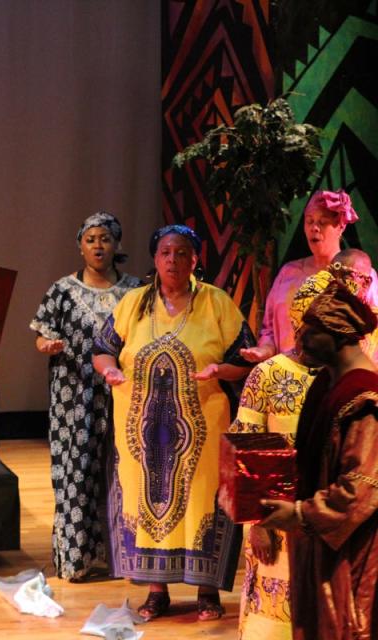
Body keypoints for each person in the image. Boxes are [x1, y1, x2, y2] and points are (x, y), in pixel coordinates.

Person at [93, 224, 255, 622]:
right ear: (155, 258)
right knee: (147, 504)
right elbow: (102, 348)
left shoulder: (216, 303)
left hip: (201, 429)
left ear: (195, 259)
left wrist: (222, 368)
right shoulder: (133, 303)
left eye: (182, 253)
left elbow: (243, 357)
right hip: (141, 433)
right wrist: (110, 371)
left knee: (202, 504)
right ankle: (156, 592)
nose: (173, 260)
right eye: (165, 252)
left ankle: (207, 592)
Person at [261, 280, 378, 640]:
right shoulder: (327, 383)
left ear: (339, 335)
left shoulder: (364, 399)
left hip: (350, 550)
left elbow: (361, 488)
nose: (302, 339)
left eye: (312, 331)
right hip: (319, 544)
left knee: (346, 627)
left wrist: (300, 515)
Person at [29, 211, 141, 582]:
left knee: (123, 471)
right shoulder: (62, 291)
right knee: (76, 474)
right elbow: (41, 333)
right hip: (73, 397)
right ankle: (77, 560)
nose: (98, 245)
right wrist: (48, 344)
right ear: (80, 245)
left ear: (116, 245)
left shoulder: (135, 291)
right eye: (91, 239)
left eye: (105, 238)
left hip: (122, 395)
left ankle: (123, 559)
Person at [230, 268, 338, 640]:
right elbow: (245, 453)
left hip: (327, 518)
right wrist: (256, 525)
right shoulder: (267, 375)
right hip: (275, 519)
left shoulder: (346, 377)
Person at [241, 189, 377, 363]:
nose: (314, 228)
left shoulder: (360, 274)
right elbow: (269, 330)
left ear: (340, 227)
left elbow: (373, 332)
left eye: (322, 222)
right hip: (290, 378)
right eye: (309, 221)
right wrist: (264, 350)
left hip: (336, 375)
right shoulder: (288, 272)